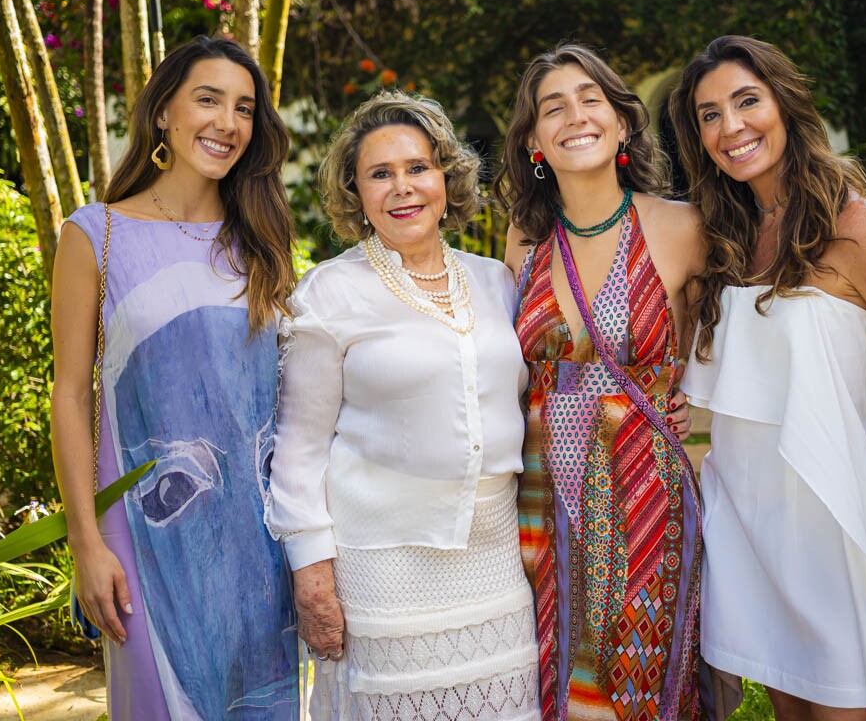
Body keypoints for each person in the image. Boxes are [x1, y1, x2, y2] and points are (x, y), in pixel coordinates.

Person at [669, 35, 866, 721]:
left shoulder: (854, 226)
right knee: (789, 707)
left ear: (785, 101)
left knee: (842, 705)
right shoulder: (728, 239)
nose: (732, 126)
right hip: (746, 516)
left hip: (828, 515)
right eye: (709, 114)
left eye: (747, 101)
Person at [266, 91, 540, 720]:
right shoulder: (330, 294)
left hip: (496, 565)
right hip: (381, 571)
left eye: (418, 168)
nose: (403, 188)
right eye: (380, 175)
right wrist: (312, 576)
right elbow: (299, 449)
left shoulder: (496, 281)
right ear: (356, 194)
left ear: (446, 175)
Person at [49, 36, 300, 720]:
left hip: (264, 544)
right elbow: (70, 395)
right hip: (147, 535)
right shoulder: (95, 234)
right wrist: (86, 544)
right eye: (208, 99)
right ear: (164, 112)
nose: (227, 123)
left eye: (245, 109)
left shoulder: (262, 241)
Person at [494, 43, 711, 720]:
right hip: (543, 506)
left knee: (636, 685)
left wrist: (693, 419)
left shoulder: (680, 228)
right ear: (534, 141)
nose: (575, 116)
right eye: (552, 107)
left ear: (622, 123)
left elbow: (725, 356)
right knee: (557, 684)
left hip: (645, 501)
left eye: (591, 99)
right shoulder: (523, 244)